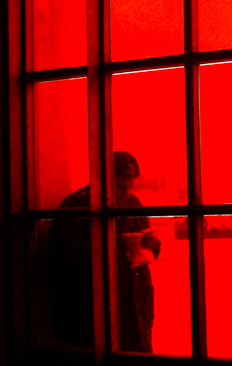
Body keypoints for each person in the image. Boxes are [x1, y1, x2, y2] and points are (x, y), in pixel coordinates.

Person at [51, 151, 160, 352]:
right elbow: (68, 259)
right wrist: (120, 243)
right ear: (102, 179)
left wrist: (152, 242)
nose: (126, 193)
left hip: (134, 301)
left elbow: (150, 248)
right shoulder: (76, 206)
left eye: (130, 187)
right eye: (120, 187)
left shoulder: (132, 203)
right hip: (95, 306)